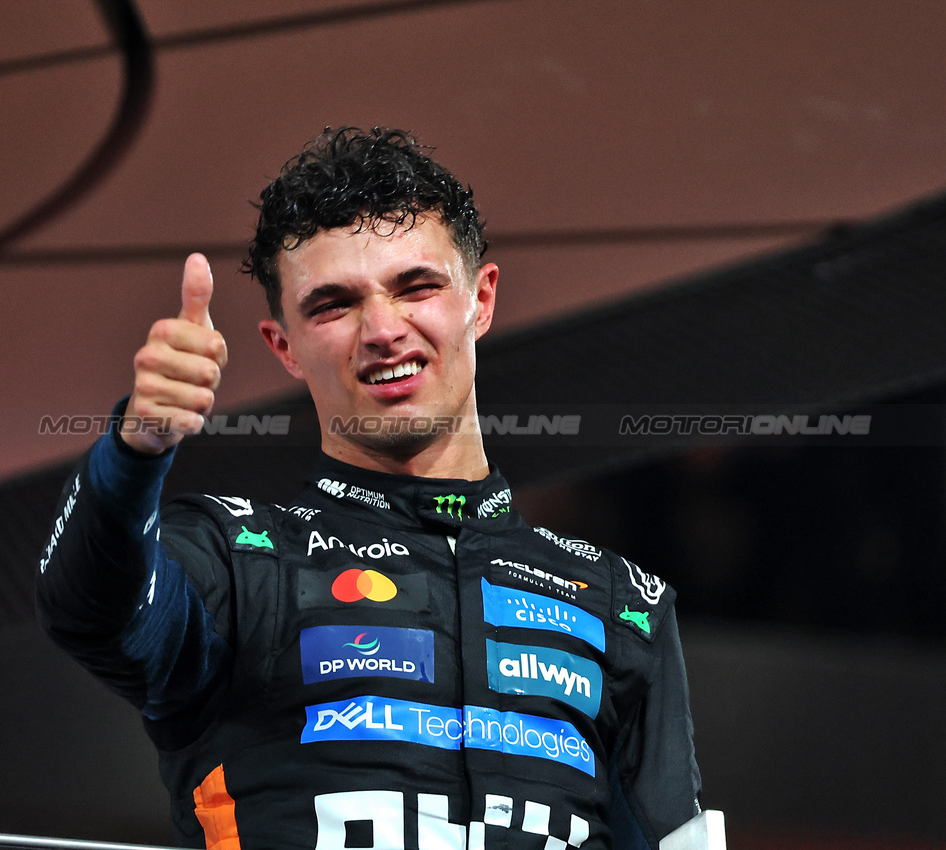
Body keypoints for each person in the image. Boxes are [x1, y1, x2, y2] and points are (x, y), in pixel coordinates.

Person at [36, 128, 703, 850]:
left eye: (415, 287)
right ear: (283, 346)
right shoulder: (237, 557)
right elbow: (89, 612)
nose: (383, 329)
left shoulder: (620, 602)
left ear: (480, 300)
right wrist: (135, 449)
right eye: (333, 304)